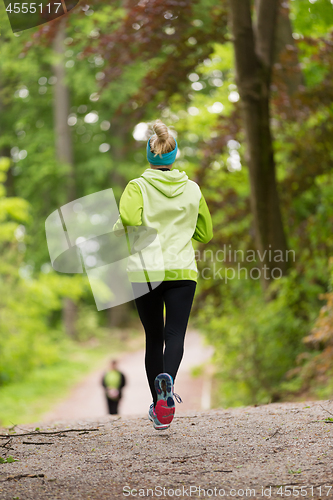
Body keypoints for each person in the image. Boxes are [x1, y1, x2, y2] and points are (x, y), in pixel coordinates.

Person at [113, 119, 213, 430]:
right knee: (176, 335)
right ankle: (168, 382)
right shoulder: (193, 189)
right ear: (173, 154)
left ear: (150, 154)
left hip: (146, 271)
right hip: (182, 271)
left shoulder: (137, 187)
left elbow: (129, 218)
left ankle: (159, 405)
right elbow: (205, 232)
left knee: (153, 338)